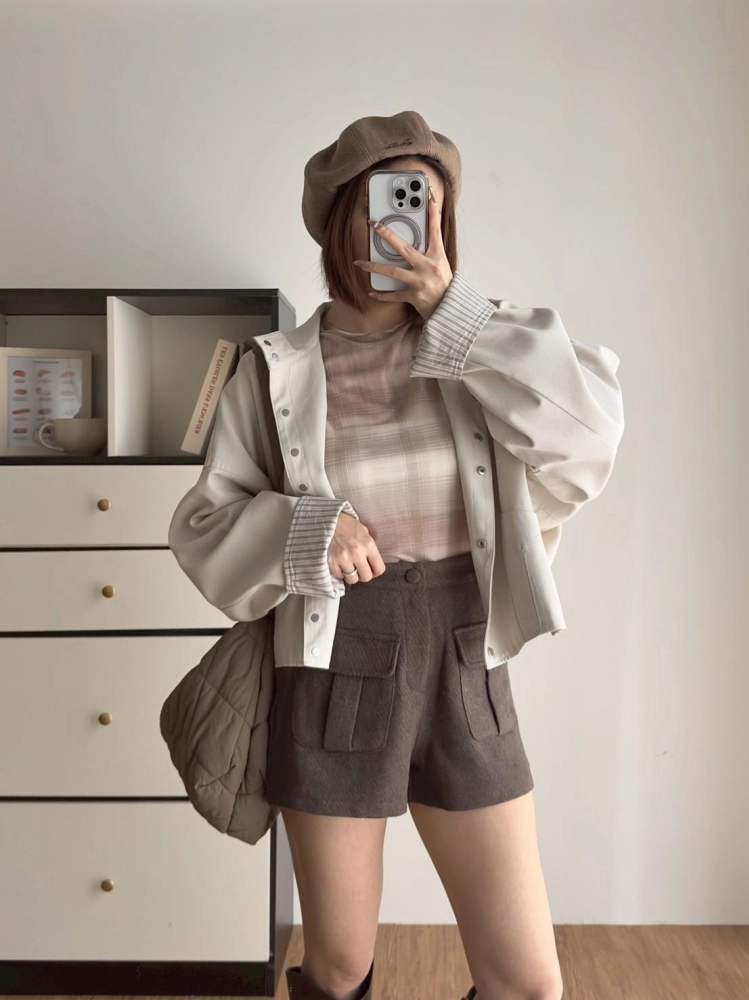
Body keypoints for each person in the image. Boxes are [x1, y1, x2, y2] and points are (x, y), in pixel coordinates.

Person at [169, 110, 624, 1000]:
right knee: (338, 966)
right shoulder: (274, 368)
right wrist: (308, 527)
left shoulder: (484, 350)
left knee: (527, 981)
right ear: (338, 220)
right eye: (386, 204)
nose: (406, 225)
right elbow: (205, 527)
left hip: (464, 657)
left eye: (427, 208)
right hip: (334, 659)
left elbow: (588, 442)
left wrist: (458, 316)